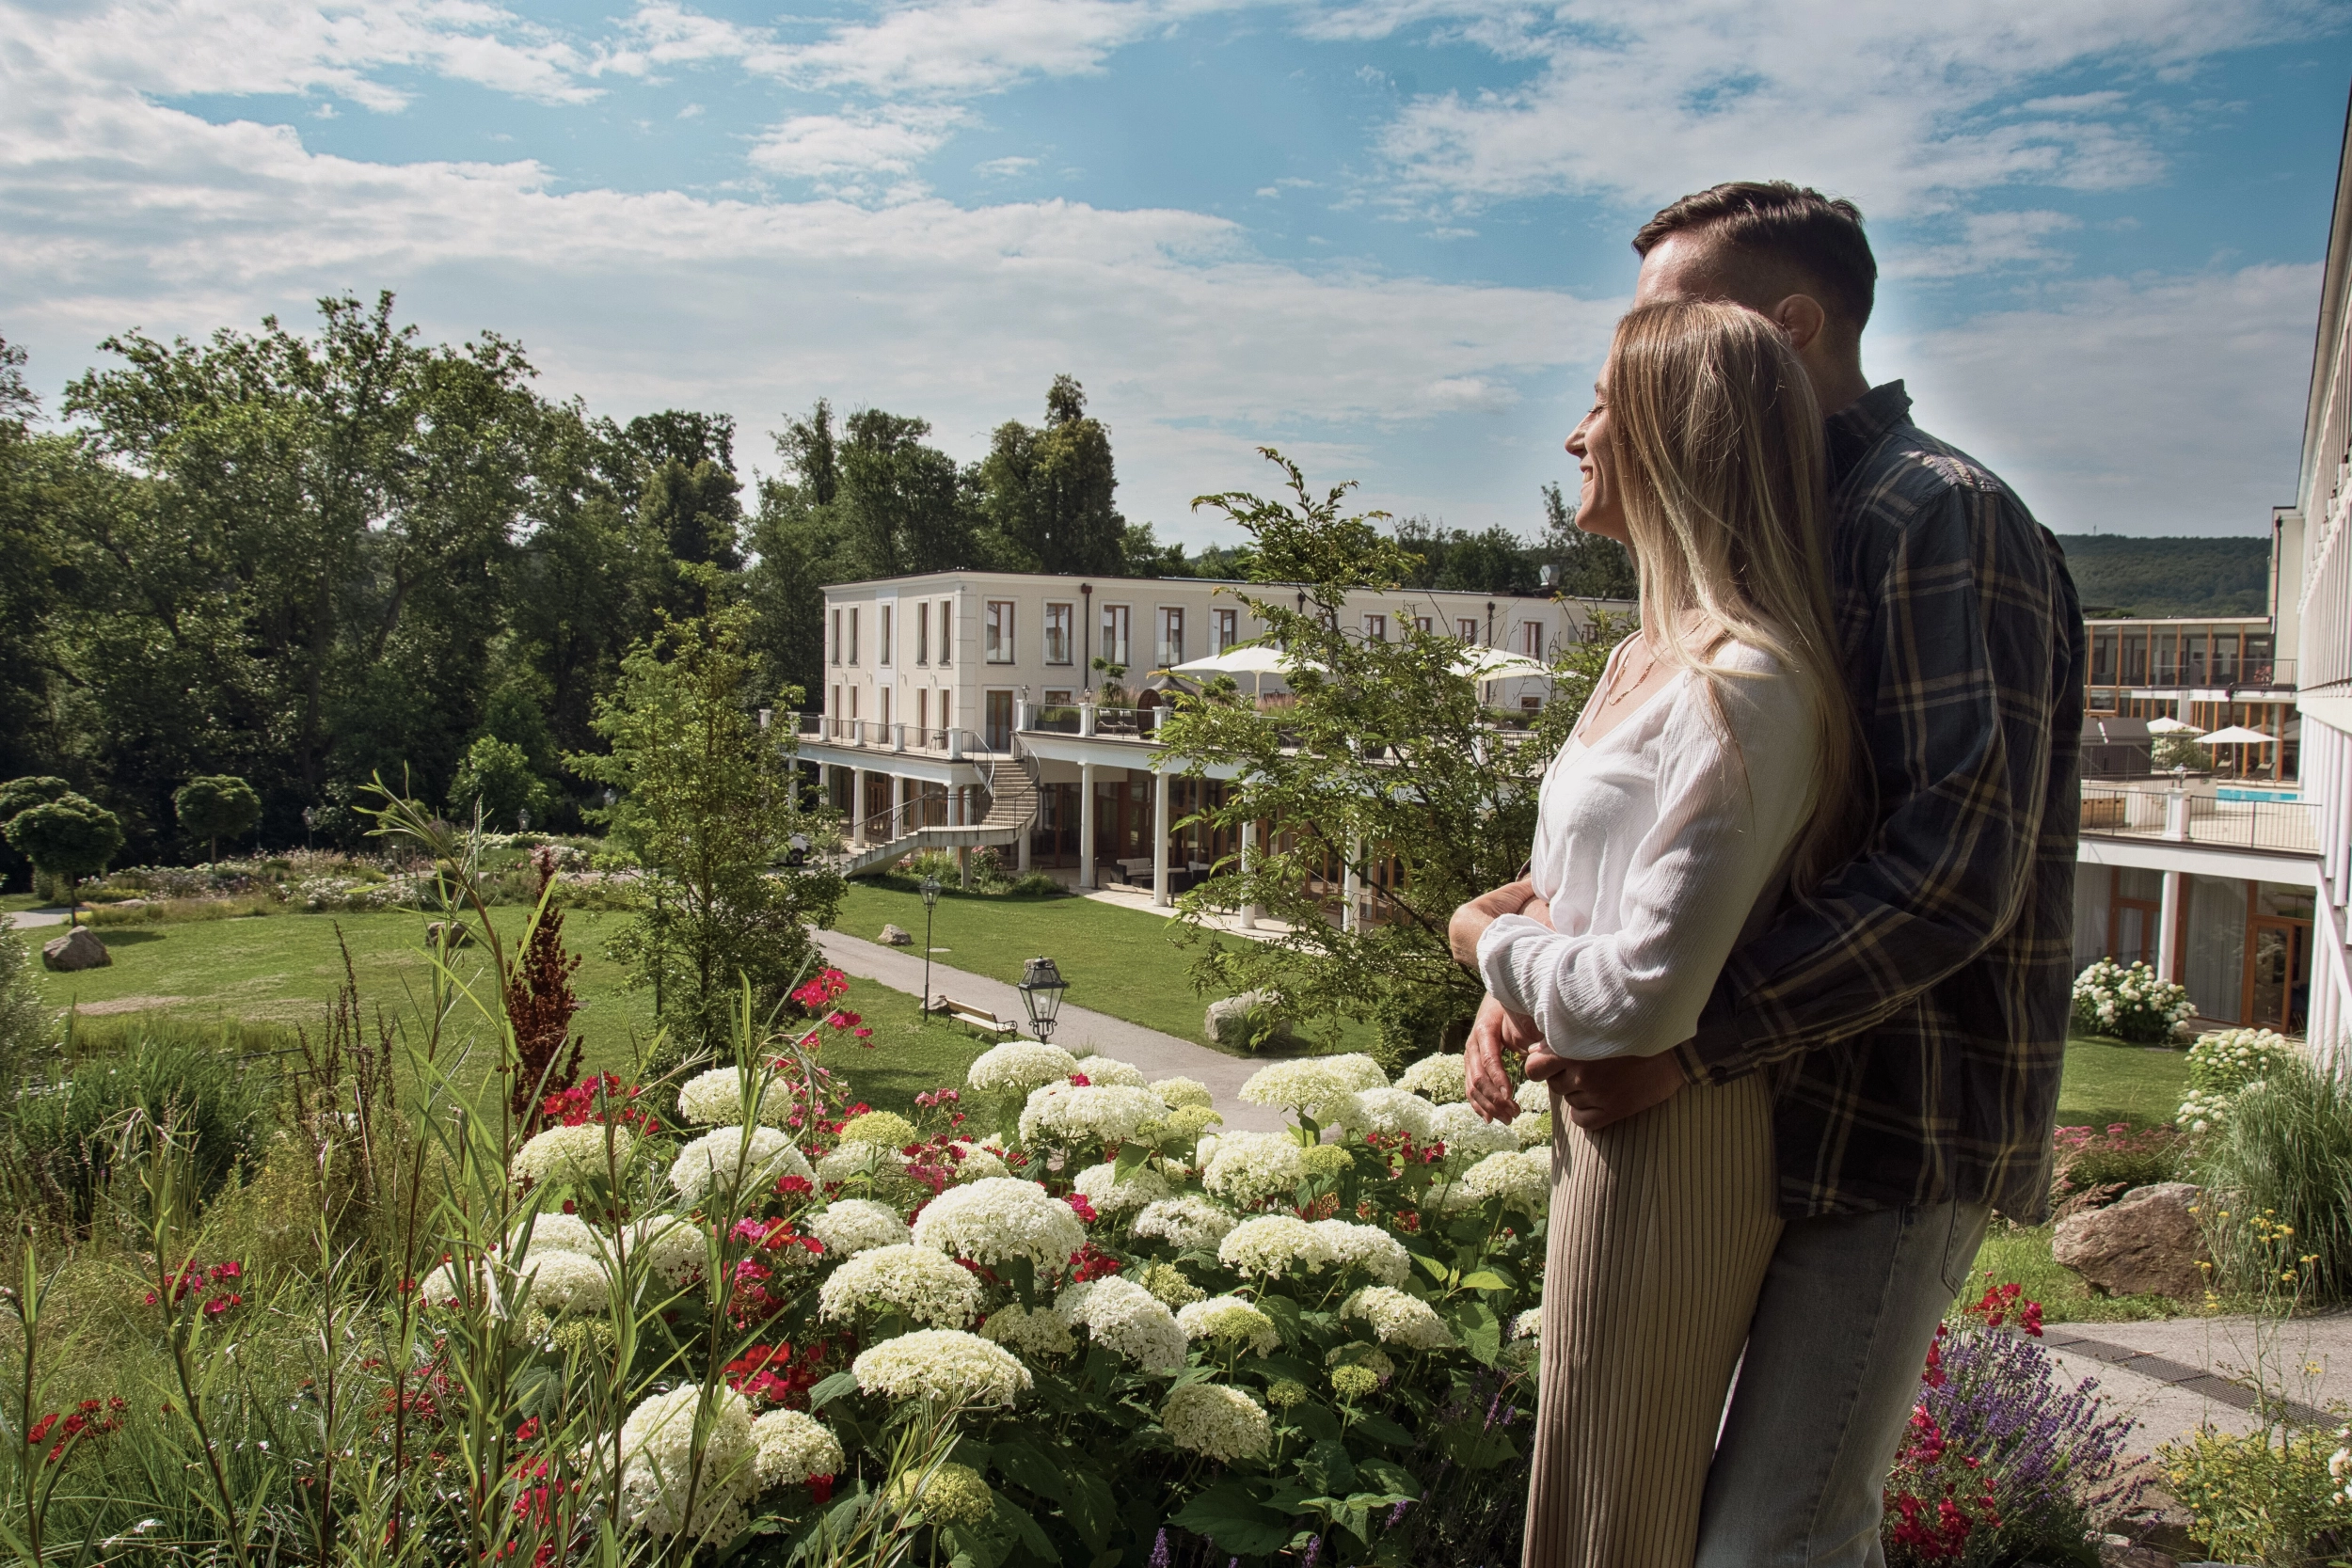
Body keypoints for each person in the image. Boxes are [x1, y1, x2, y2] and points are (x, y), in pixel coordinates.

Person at [1459, 182, 2085, 1566]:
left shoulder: (1937, 516)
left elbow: (1952, 869)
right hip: (1747, 1108)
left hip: (1889, 1119)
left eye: (1664, 326)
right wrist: (1529, 955)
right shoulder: (1771, 539)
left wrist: (1697, 1040)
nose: (1630, 373)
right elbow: (1686, 813)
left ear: (1787, 328)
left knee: (1778, 1541)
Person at [1452, 296, 1862, 1564]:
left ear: (1678, 436)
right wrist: (1505, 989)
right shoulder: (1643, 657)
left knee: (1613, 1504)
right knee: (1586, 1477)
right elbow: (1574, 878)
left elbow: (1641, 997)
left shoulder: (1750, 685)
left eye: (1601, 406)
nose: (1576, 436)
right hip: (1606, 1121)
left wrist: (1475, 941)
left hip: (1674, 1137)